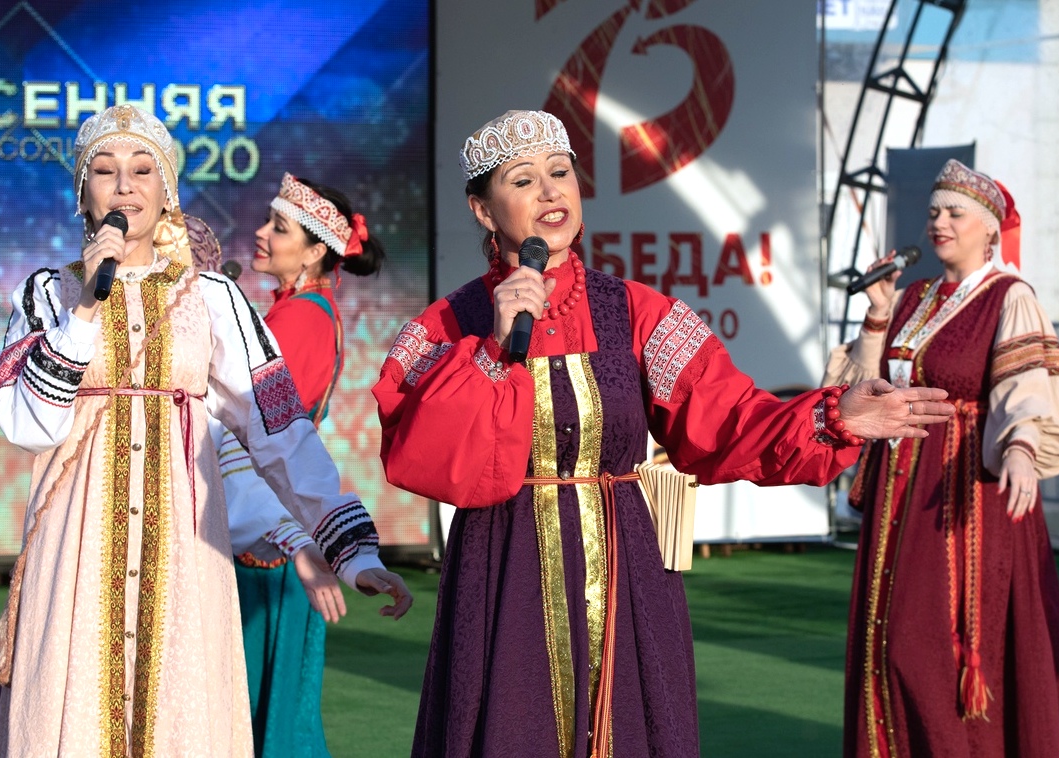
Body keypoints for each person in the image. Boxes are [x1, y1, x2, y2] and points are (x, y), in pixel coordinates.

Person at [372, 109, 955, 757]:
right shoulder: (445, 325)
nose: (549, 192)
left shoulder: (637, 312)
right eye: (522, 180)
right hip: (504, 572)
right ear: (482, 211)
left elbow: (731, 419)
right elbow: (421, 456)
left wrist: (833, 416)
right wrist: (489, 350)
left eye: (560, 173)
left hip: (626, 574)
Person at [0, 104, 410, 756]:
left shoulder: (213, 297)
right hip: (73, 554)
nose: (124, 185)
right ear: (81, 193)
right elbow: (28, 425)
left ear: (167, 189)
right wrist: (84, 314)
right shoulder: (47, 294)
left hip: (183, 551)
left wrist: (348, 545)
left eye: (142, 168)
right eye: (104, 169)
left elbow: (281, 430)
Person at [824, 159, 1059, 757]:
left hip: (964, 493)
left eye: (955, 213)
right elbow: (857, 390)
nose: (939, 222)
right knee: (884, 646)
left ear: (989, 228)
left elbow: (1026, 388)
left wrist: (1022, 447)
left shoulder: (1010, 296)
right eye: (935, 211)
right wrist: (876, 313)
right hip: (900, 490)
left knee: (929, 650)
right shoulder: (912, 295)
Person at [221, 172, 388, 757]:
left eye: (279, 227)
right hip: (268, 517)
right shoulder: (302, 311)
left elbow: (258, 434)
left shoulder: (299, 320)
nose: (262, 234)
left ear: (316, 250)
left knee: (259, 716)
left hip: (266, 527)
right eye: (268, 221)